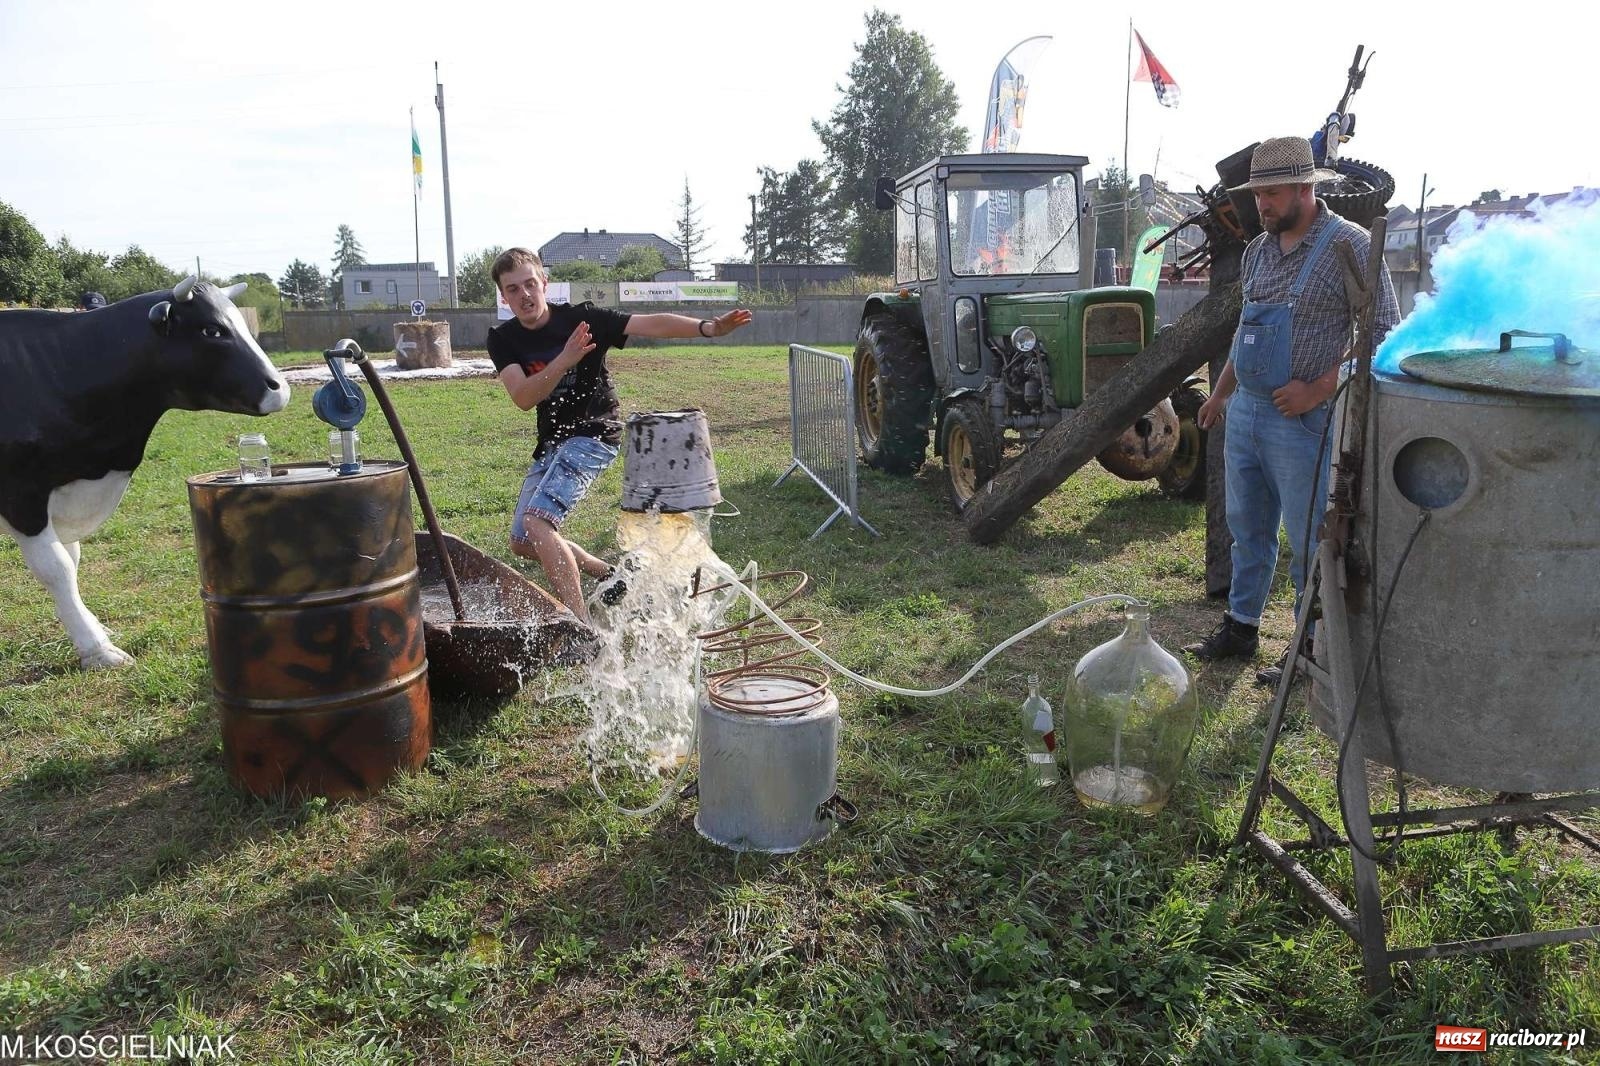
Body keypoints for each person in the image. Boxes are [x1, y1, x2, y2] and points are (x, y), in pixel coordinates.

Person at [1183, 137, 1399, 686]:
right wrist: (1222, 393)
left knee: (1308, 539)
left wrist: (1320, 387)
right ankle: (1241, 625)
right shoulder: (1257, 252)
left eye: (1273, 194)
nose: (1263, 206)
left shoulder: (1347, 247)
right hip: (1247, 415)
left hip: (1304, 422)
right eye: (1257, 196)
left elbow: (1383, 333)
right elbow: (1247, 330)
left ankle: (1308, 647)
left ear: (1306, 189)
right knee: (1246, 528)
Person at [487, 247, 753, 624]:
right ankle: (611, 574)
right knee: (523, 541)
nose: (525, 295)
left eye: (531, 283)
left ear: (544, 283)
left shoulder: (583, 319)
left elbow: (650, 323)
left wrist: (707, 328)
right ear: (504, 295)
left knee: (538, 523)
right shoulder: (503, 339)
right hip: (552, 442)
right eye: (513, 289)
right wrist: (564, 359)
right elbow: (523, 397)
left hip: (594, 435)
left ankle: (580, 627)